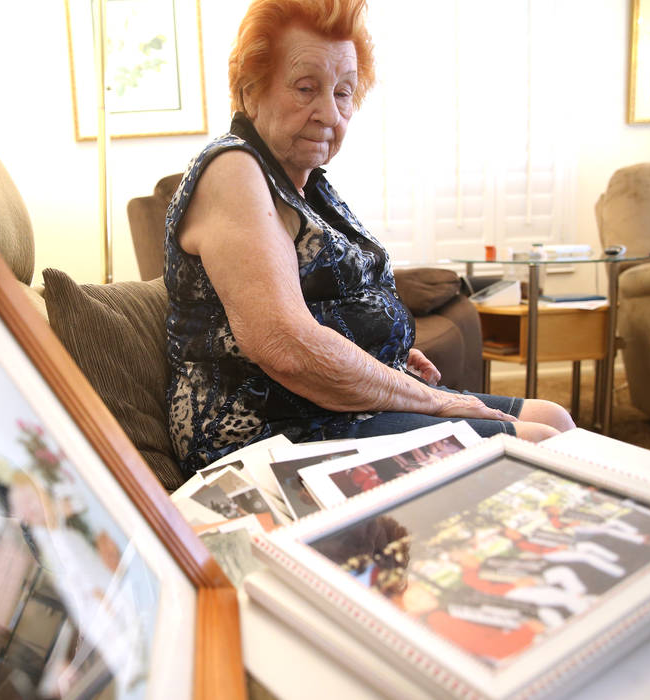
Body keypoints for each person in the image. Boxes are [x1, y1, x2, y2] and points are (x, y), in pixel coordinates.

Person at [165, 0, 574, 475]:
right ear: (251, 91)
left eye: (343, 92)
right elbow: (285, 345)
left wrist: (382, 349)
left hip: (325, 405)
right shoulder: (233, 170)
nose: (328, 113)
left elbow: (321, 302)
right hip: (264, 428)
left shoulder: (307, 182)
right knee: (535, 444)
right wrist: (431, 402)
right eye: (305, 88)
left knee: (554, 418)